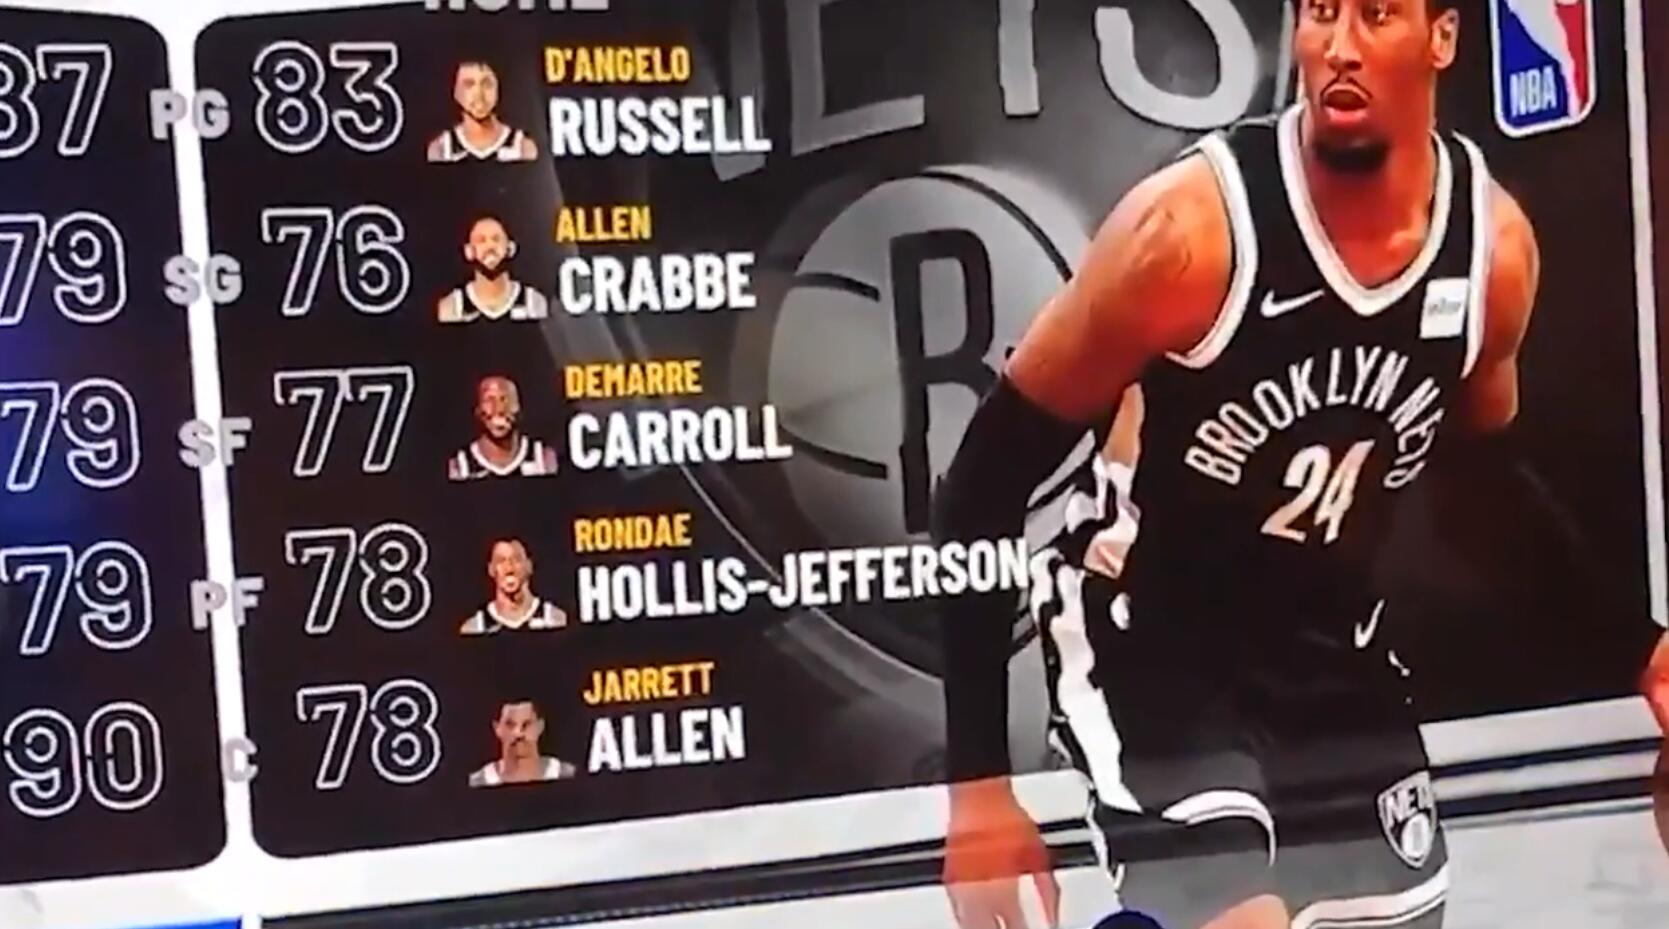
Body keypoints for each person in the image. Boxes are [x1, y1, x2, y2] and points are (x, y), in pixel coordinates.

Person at [933, 3, 1540, 928]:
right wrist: (978, 787)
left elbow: (1489, 489)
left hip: (1328, 647)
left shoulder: (1489, 253)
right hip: (1152, 636)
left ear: (1441, 36)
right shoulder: (1188, 234)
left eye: (1376, 14)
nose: (1338, 47)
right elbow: (980, 487)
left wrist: (1642, 652)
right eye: (1319, 13)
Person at [437, 216, 550, 324]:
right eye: (481, 240)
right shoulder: (452, 306)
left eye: (496, 239)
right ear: (469, 251)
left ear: (510, 248)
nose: (490, 246)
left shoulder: (533, 302)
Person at [448, 375, 559, 480]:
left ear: (519, 408)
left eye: (505, 399)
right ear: (477, 410)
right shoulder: (461, 464)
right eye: (489, 400)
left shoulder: (542, 457)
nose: (499, 409)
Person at [427, 60, 539, 163]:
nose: (479, 95)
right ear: (455, 91)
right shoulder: (441, 149)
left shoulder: (523, 147)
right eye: (469, 84)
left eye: (487, 84)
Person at [460, 538, 568, 635]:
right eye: (501, 561)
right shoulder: (476, 628)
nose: (509, 568)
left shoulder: (554, 619)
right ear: (491, 569)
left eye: (516, 559)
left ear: (529, 566)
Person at [469, 699, 578, 788]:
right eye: (509, 724)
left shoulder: (566, 774)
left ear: (540, 727)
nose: (518, 733)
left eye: (526, 724)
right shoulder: (479, 782)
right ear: (497, 728)